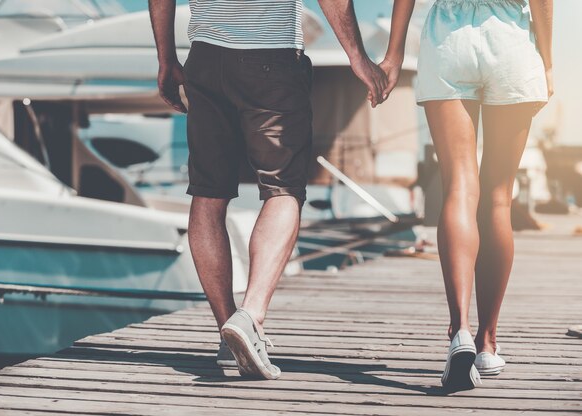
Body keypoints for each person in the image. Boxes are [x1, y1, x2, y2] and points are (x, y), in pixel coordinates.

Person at [148, 0, 388, 380]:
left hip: (206, 60)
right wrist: (356, 55)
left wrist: (165, 58)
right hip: (271, 57)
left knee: (208, 197)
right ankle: (250, 316)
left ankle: (229, 333)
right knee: (283, 191)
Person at [382, 0, 553, 390]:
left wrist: (394, 54)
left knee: (459, 185)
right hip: (511, 37)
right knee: (498, 198)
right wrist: (547, 61)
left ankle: (460, 329)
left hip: (448, 36)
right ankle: (487, 343)